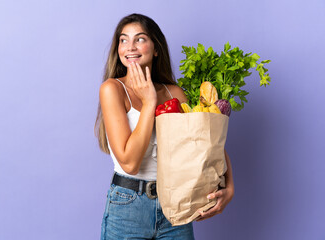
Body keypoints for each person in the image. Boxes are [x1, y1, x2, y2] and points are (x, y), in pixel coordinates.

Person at [94, 13, 235, 239]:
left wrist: (230, 186)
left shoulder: (174, 92)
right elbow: (130, 163)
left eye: (140, 39)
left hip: (175, 204)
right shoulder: (113, 89)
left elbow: (205, 143)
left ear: (156, 48)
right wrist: (149, 102)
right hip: (128, 206)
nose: (130, 46)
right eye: (123, 40)